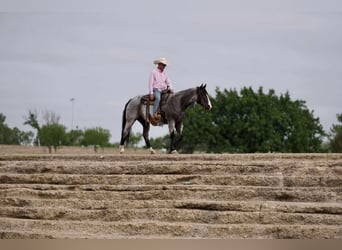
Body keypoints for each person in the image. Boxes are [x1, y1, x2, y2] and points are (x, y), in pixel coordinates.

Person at [149, 57, 174, 122]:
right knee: (158, 98)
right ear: (159, 64)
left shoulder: (165, 74)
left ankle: (167, 114)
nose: (164, 66)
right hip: (156, 89)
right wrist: (151, 93)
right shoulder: (153, 72)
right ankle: (153, 113)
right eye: (163, 65)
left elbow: (168, 82)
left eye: (165, 65)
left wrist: (171, 88)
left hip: (164, 90)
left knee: (171, 98)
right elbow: (150, 83)